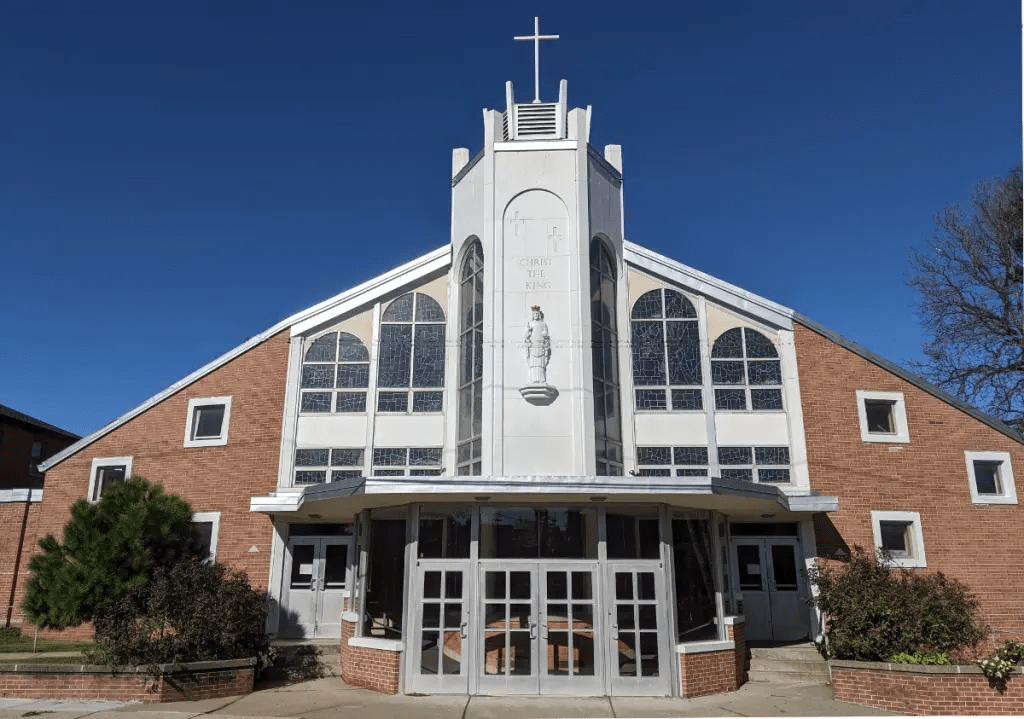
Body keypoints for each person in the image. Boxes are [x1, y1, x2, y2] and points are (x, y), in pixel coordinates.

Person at [524, 305, 551, 384]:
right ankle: (533, 379)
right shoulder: (531, 324)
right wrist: (529, 331)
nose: (535, 315)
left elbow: (546, 334)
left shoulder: (543, 324)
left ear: (539, 315)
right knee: (533, 363)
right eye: (534, 314)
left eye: (537, 314)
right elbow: (526, 336)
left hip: (540, 346)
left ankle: (541, 379)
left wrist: (544, 334)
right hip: (533, 346)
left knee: (540, 363)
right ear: (533, 315)